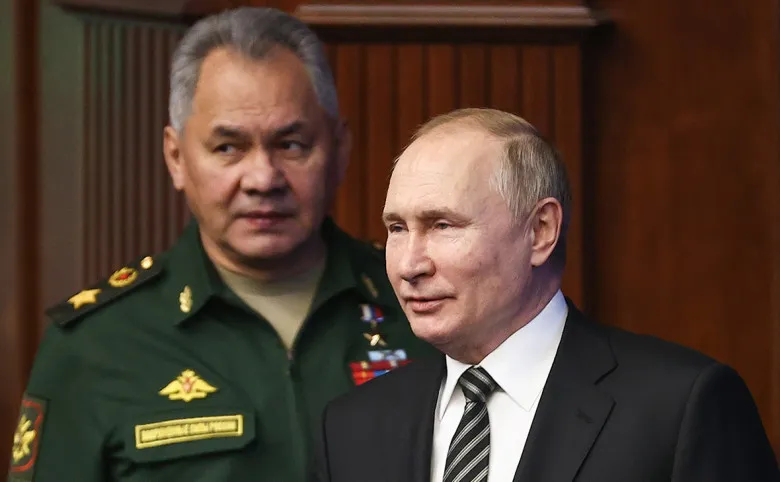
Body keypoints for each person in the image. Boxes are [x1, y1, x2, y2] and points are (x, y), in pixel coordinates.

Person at [8, 7, 435, 482]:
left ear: (339, 150)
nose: (262, 179)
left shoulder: (423, 308)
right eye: (228, 148)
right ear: (176, 157)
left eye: (291, 144)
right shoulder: (96, 344)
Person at [312, 108, 780, 482]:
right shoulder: (353, 426)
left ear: (540, 231)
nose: (409, 265)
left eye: (442, 225)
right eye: (397, 228)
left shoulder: (679, 408)